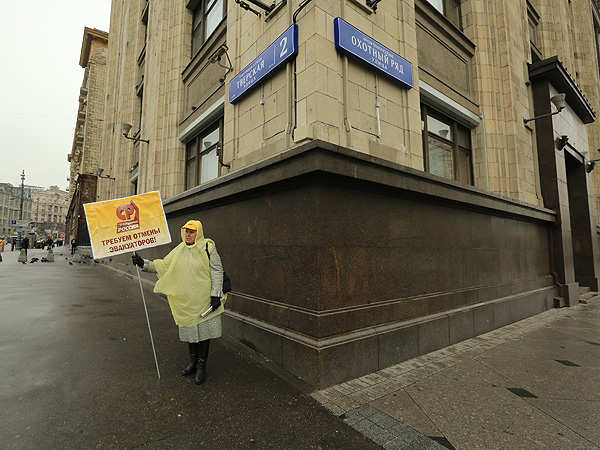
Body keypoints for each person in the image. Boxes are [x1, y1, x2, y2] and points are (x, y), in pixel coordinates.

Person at [131, 220, 226, 385]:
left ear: (198, 233)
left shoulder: (208, 247)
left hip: (204, 300)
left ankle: (201, 366)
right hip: (186, 301)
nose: (188, 234)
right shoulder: (179, 249)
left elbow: (217, 271)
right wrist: (143, 263)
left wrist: (216, 295)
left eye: (192, 232)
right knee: (190, 331)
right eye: (186, 231)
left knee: (204, 334)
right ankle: (193, 362)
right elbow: (164, 265)